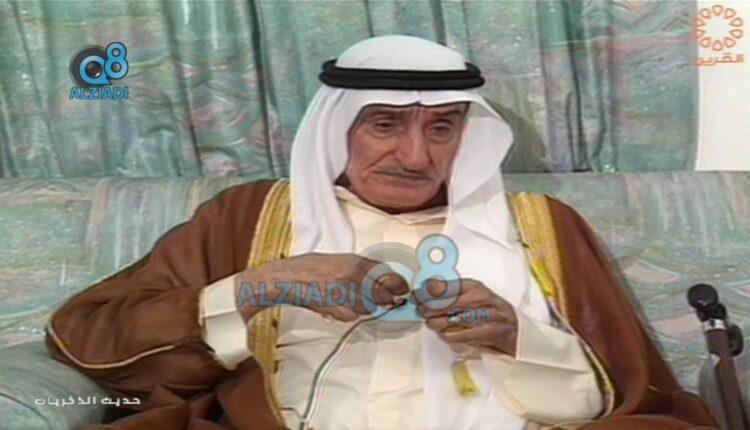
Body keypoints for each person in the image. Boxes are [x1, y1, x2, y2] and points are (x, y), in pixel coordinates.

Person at [46, 35, 717, 430]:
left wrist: (516, 336)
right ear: (337, 129)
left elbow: (625, 389)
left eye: (442, 128)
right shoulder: (249, 215)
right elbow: (94, 337)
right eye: (386, 125)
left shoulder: (541, 225)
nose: (415, 157)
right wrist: (260, 287)